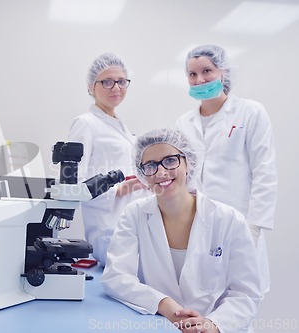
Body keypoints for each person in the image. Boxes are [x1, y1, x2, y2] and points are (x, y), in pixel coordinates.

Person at [101, 128, 261, 333]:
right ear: (142, 174)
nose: (161, 172)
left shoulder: (229, 220)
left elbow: (246, 293)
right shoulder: (135, 214)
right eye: (150, 165)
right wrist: (165, 304)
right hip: (162, 326)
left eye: (170, 160)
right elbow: (116, 276)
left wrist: (212, 325)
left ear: (188, 163)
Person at [176, 44, 277, 296]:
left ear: (223, 72)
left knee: (241, 300)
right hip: (196, 227)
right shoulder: (183, 123)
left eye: (207, 71)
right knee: (200, 299)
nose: (199, 80)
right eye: (192, 74)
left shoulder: (250, 112)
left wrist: (254, 227)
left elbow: (264, 172)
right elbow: (180, 176)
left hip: (240, 223)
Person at [67, 52, 148, 266]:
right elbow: (73, 185)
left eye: (121, 81)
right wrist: (118, 190)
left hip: (131, 222)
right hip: (107, 228)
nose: (116, 88)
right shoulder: (85, 123)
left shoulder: (119, 125)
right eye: (107, 82)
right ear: (91, 87)